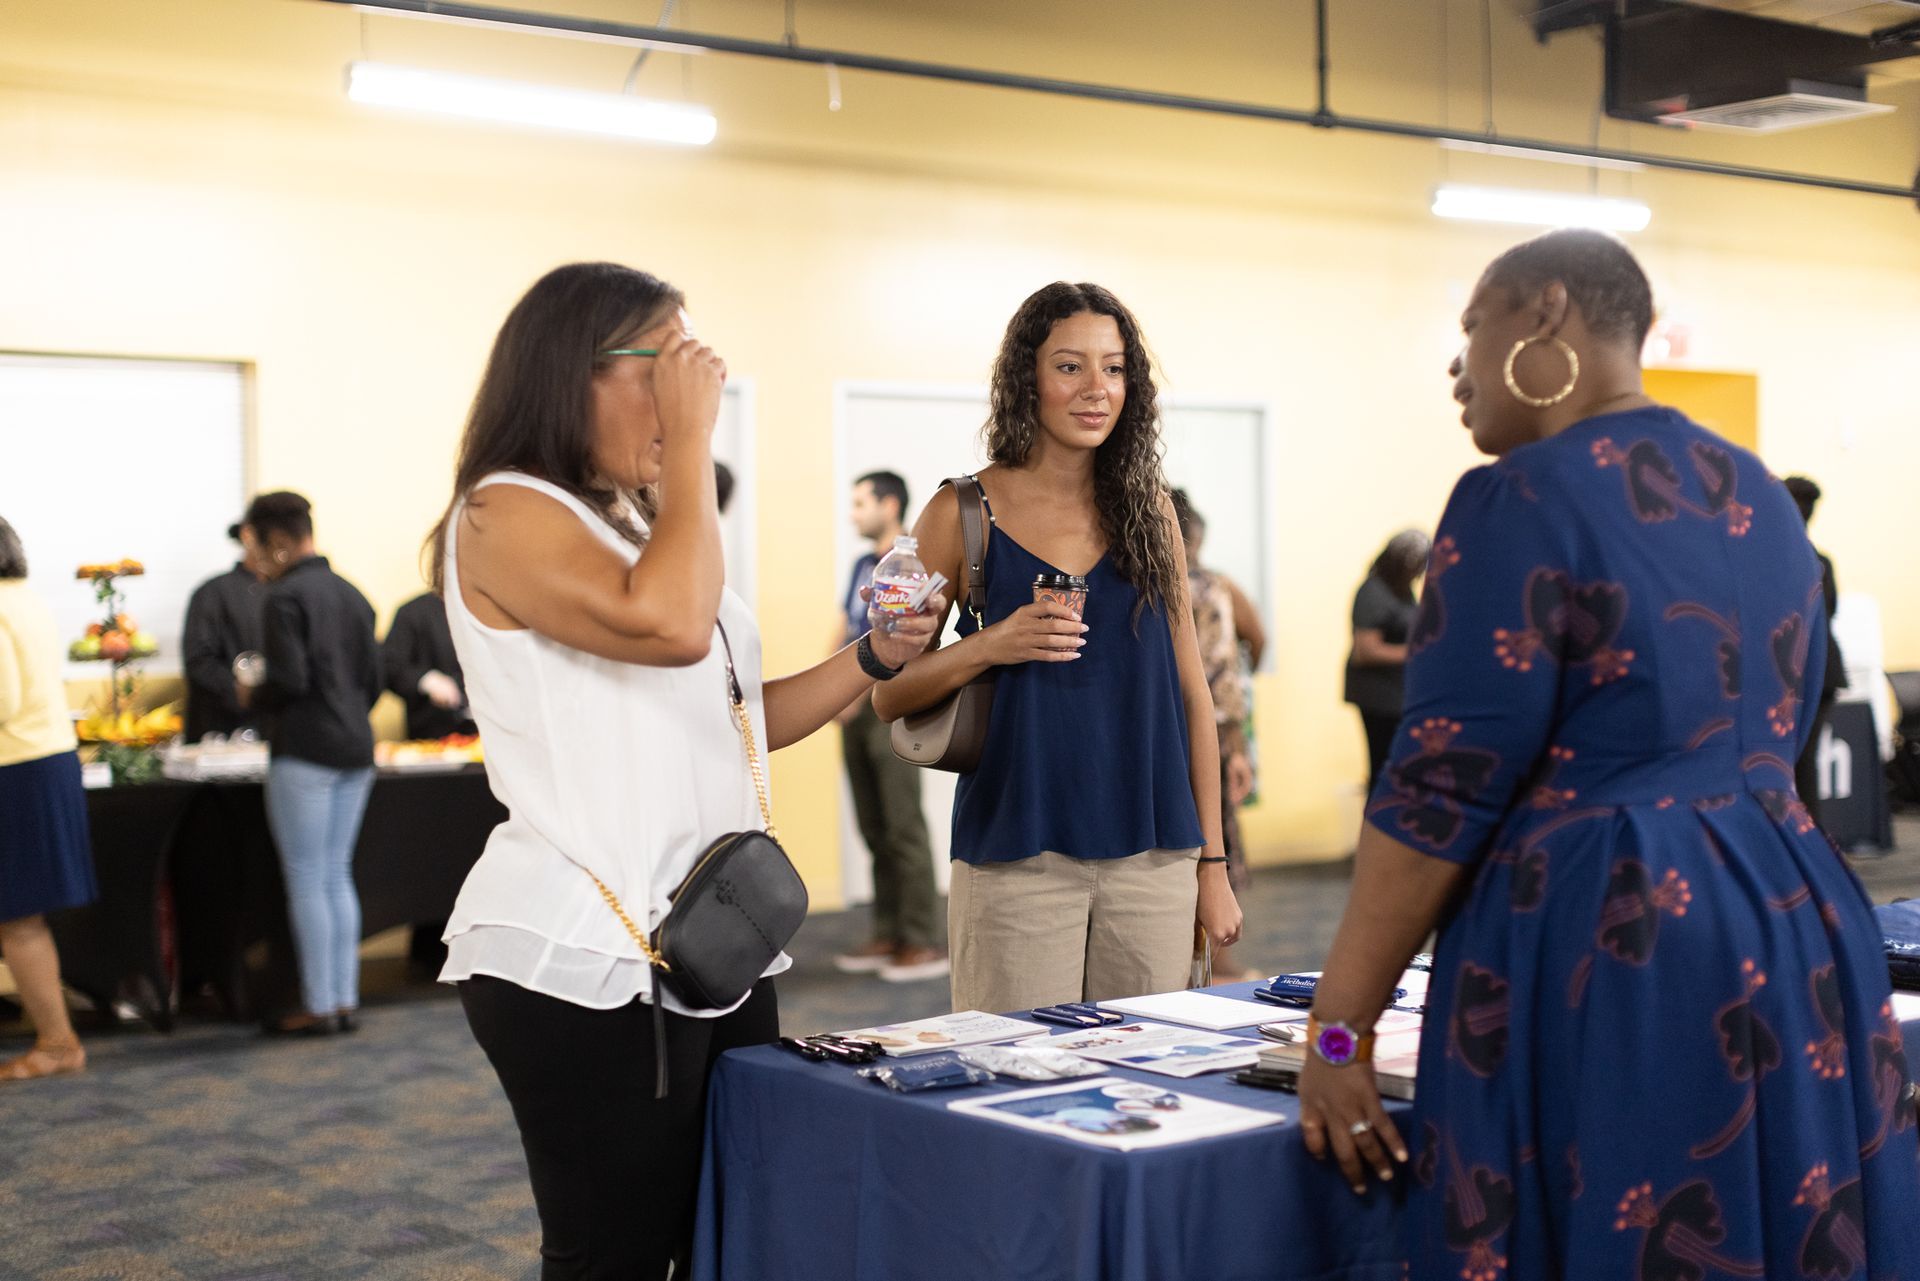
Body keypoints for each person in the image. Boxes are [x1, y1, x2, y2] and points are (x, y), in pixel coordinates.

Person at [1295, 229, 1920, 1277]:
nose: (1458, 368)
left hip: (1617, 929)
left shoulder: (1517, 496)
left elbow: (1441, 791)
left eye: (1470, 330)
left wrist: (1338, 1034)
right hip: (1796, 915)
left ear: (1544, 315)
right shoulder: (1757, 489)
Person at [429, 262, 942, 1281]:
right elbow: (666, 627)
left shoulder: (638, 524)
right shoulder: (502, 510)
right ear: (573, 371)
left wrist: (876, 660)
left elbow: (738, 722)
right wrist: (696, 453)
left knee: (718, 1235)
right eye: (664, 368)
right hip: (586, 955)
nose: (685, 396)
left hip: (712, 937)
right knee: (612, 1257)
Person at [874, 281, 1243, 1013]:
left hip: (1155, 854)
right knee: (1013, 1087)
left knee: (1146, 1092)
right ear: (1027, 379)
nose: (1096, 389)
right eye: (1070, 366)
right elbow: (888, 689)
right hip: (1017, 852)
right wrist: (993, 643)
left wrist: (1213, 862)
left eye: (1113, 368)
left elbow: (1192, 696)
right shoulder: (958, 510)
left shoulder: (1153, 514)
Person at [246, 490, 382, 1037]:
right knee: (335, 874)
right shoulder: (354, 594)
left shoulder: (283, 599)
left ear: (278, 543)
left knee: (306, 878)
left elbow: (290, 680)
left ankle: (320, 1005)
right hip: (356, 747)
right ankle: (343, 1000)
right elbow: (373, 682)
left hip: (305, 750)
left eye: (253, 544)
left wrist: (250, 692)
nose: (250, 557)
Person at [831, 470, 945, 982]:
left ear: (890, 504)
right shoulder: (861, 563)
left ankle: (921, 941)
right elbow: (843, 628)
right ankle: (889, 931)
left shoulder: (911, 566)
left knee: (902, 825)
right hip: (851, 708)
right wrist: (833, 695)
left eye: (861, 503)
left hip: (887, 708)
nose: (854, 513)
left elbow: (914, 642)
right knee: (873, 827)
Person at [0, 516, 96, 1082]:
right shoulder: (24, 597)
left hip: (16, 766)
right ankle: (57, 1040)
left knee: (17, 919)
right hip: (41, 761)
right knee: (17, 917)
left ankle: (58, 1044)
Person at [1171, 488, 1265, 983]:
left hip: (1165, 734)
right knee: (1215, 843)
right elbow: (1227, 670)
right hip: (1205, 734)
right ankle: (1218, 965)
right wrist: (1237, 748)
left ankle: (1199, 963)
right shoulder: (1208, 586)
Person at [1783, 475, 1847, 826]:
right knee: (1804, 763)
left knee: (1798, 766)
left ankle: (1808, 845)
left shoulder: (1784, 561)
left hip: (1801, 671)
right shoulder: (1822, 561)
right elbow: (1831, 612)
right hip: (1824, 672)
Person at [1344, 529, 1429, 787]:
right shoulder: (1373, 592)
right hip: (1378, 696)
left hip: (1398, 694)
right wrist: (1415, 652)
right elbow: (1365, 651)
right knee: (1382, 766)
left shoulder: (1403, 591)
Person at [181, 522, 266, 743]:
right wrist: (240, 691)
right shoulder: (212, 593)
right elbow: (198, 660)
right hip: (225, 733)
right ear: (248, 534)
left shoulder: (292, 592)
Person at [382, 592, 475, 741]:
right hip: (432, 740)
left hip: (491, 738)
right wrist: (426, 681)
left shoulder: (491, 611)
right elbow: (388, 665)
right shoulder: (414, 612)